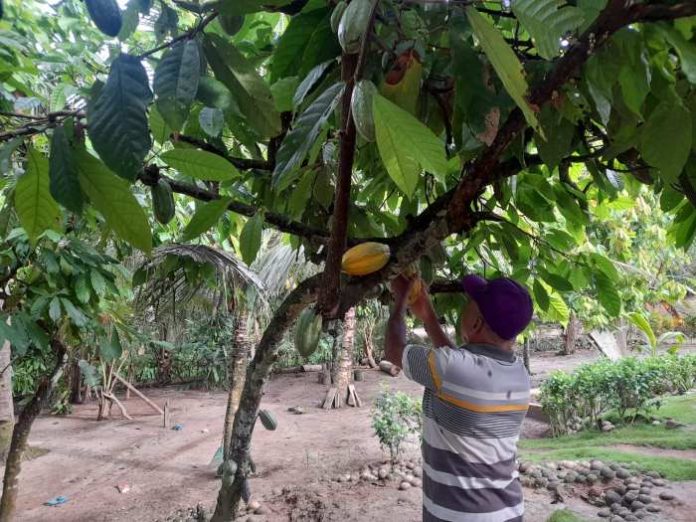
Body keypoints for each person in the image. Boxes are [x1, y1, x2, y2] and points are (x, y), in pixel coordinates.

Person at [384, 274, 534, 522]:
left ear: (476, 323)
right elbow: (460, 370)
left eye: (470, 302)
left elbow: (392, 350)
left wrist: (400, 300)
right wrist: (429, 318)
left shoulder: (455, 371)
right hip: (507, 512)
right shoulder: (519, 374)